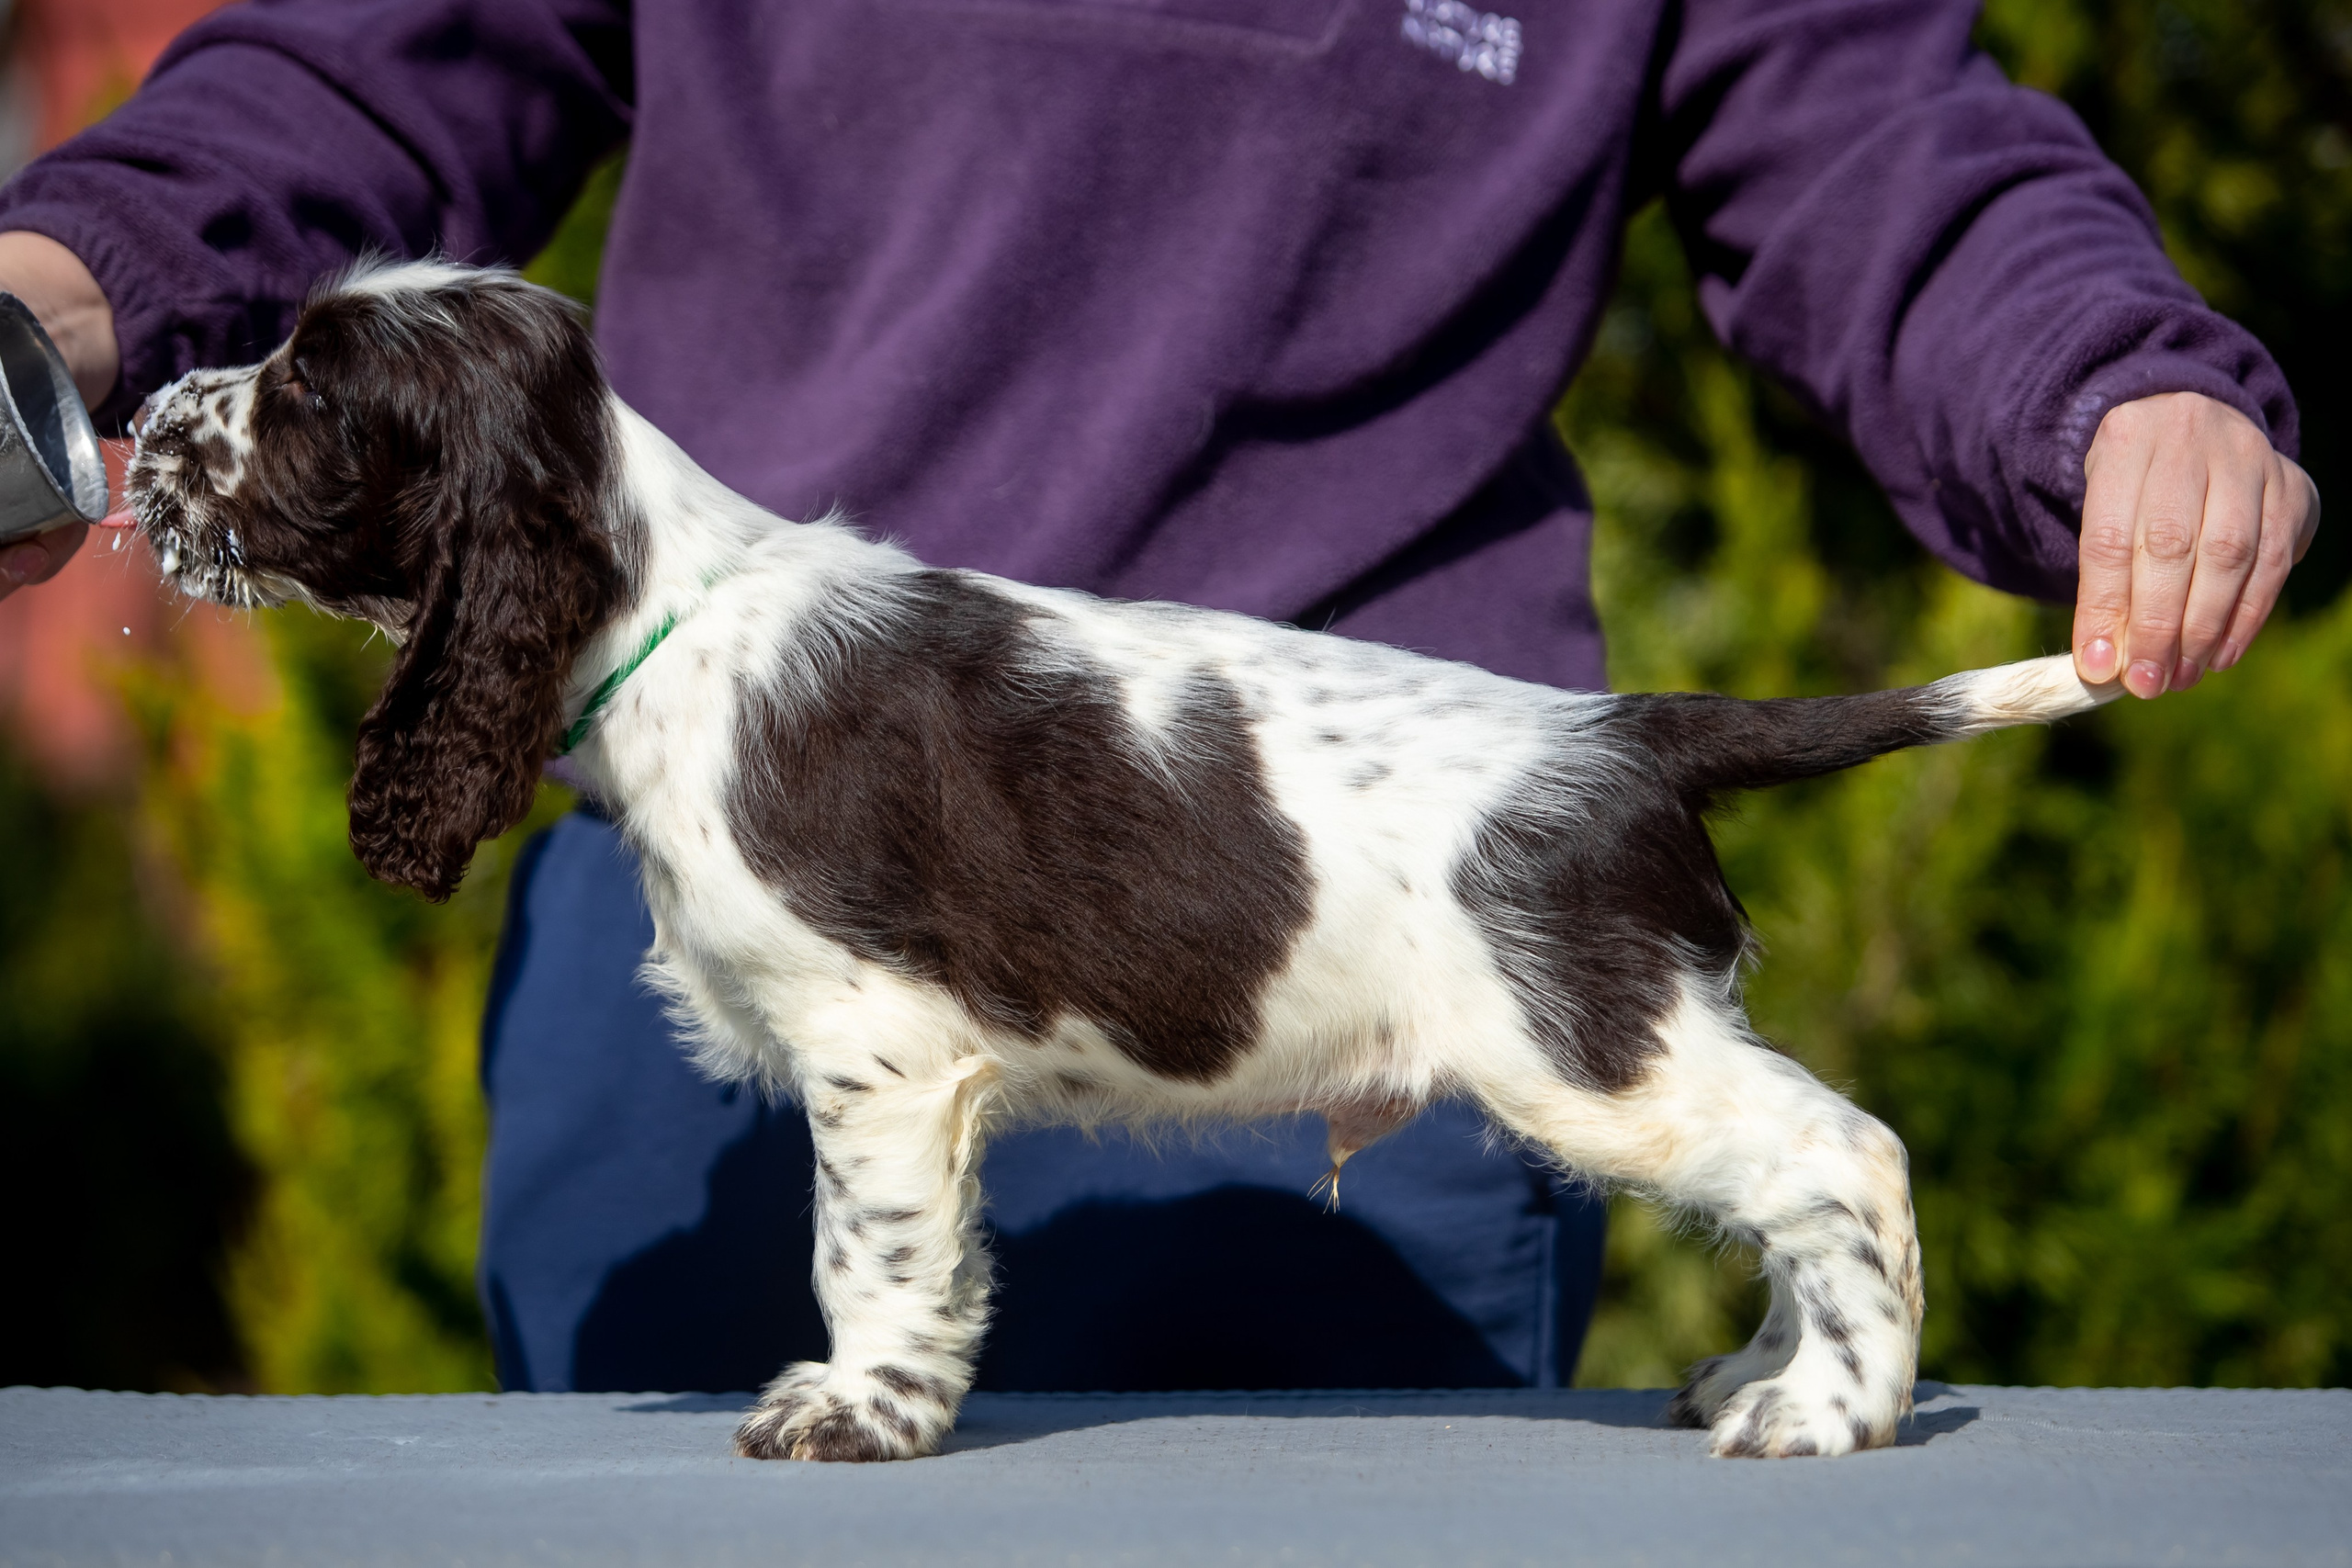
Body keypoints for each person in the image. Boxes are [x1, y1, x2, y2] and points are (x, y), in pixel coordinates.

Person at [0, 0, 2317, 1395]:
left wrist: (2104, 389)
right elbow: (386, 57)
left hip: (1345, 956)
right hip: (725, 924)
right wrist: (72, 288)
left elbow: (1866, 131)